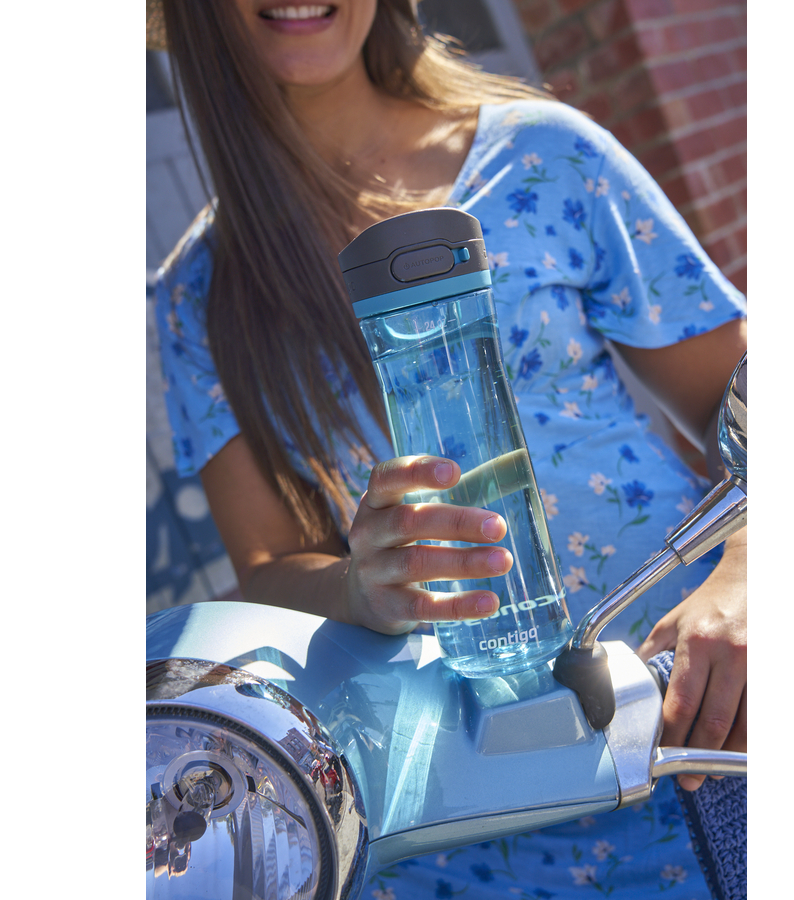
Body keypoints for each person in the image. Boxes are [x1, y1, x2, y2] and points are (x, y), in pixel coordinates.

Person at [149, 1, 747, 897]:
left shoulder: (545, 155)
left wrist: (748, 570)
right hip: (469, 833)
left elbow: (749, 402)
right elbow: (267, 565)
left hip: (706, 740)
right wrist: (356, 586)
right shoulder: (198, 291)